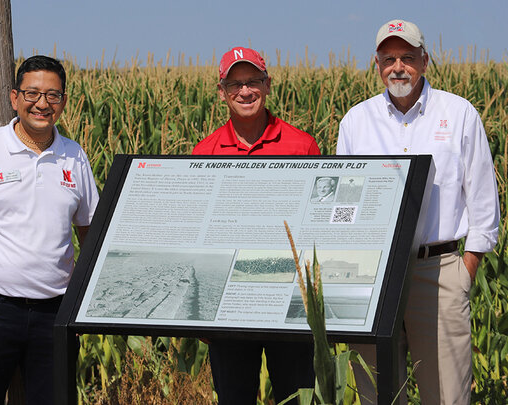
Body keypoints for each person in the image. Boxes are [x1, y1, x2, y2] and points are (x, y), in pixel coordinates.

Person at [337, 19, 500, 404]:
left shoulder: (459, 114)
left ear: (425, 61)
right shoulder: (356, 122)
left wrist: (465, 270)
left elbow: (482, 200)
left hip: (437, 272)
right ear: (376, 65)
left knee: (446, 394)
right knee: (378, 392)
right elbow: (345, 204)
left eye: (407, 57)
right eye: (389, 58)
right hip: (374, 272)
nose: (398, 67)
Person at [0, 55, 99, 405]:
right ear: (15, 98)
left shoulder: (75, 157)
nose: (42, 104)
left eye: (53, 96)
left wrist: (85, 299)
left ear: (63, 102)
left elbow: (90, 233)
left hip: (55, 313)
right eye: (32, 93)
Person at [193, 46, 319, 404]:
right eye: (235, 84)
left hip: (290, 299)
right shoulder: (206, 152)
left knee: (297, 397)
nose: (245, 91)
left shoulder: (301, 146)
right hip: (229, 301)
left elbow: (316, 229)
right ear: (222, 92)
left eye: (253, 82)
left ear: (267, 85)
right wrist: (202, 310)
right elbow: (200, 236)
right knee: (234, 397)